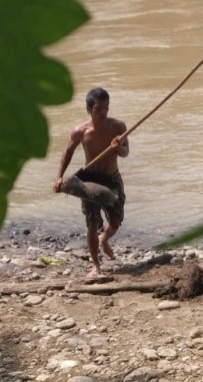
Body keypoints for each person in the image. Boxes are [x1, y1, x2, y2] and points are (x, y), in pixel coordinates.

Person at [53, 87, 129, 277]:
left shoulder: (118, 127)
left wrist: (118, 147)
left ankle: (104, 239)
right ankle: (95, 265)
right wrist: (59, 177)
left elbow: (125, 153)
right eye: (98, 109)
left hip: (112, 178)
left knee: (116, 221)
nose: (103, 113)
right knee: (92, 223)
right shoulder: (81, 131)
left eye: (106, 108)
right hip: (90, 180)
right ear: (89, 110)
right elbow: (68, 152)